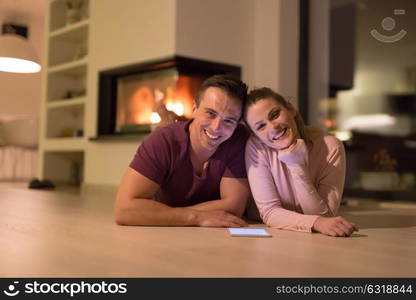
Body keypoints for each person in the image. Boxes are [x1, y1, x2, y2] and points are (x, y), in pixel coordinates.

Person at [115, 74, 251, 227]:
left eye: (229, 120)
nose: (216, 127)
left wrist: (163, 214)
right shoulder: (162, 141)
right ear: (194, 108)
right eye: (210, 113)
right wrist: (196, 217)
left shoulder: (238, 139)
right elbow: (125, 210)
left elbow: (233, 207)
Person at [244, 87, 358, 237]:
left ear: (291, 109)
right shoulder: (256, 147)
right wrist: (316, 222)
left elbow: (326, 217)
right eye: (260, 126)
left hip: (304, 236)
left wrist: (296, 165)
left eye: (275, 114)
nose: (273, 127)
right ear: (256, 135)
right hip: (268, 232)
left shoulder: (331, 147)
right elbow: (270, 212)